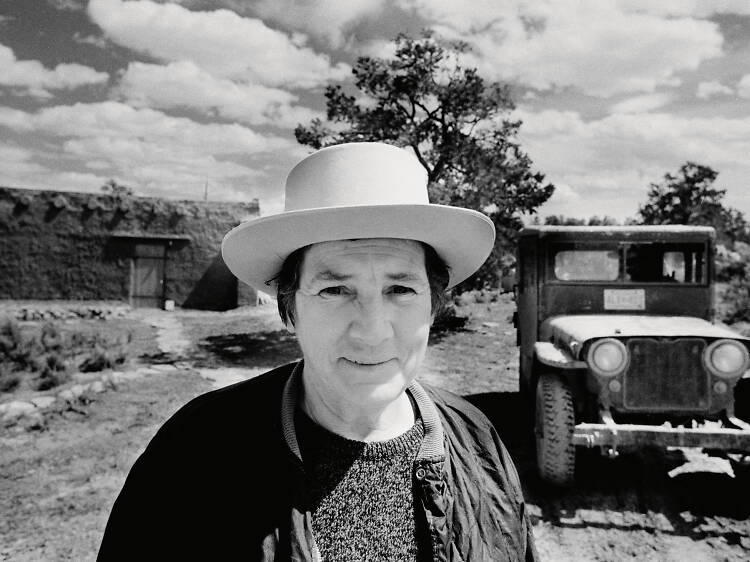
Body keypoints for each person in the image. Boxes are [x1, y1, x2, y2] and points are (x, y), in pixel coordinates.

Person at [98, 142, 538, 561]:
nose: (372, 330)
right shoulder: (195, 456)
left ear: (432, 304)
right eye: (335, 289)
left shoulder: (478, 441)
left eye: (400, 289)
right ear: (290, 309)